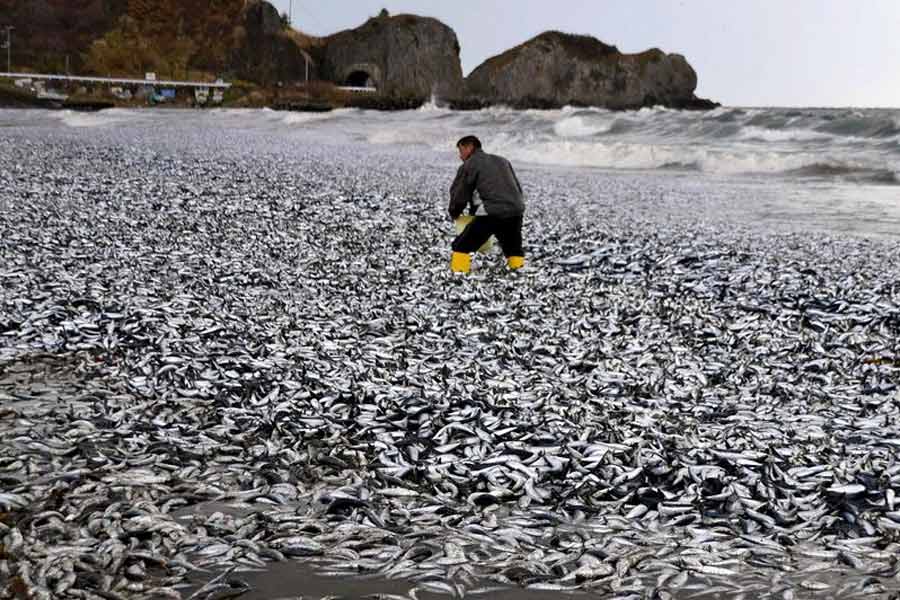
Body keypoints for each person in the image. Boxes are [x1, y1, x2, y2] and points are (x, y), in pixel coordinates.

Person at [448, 136, 526, 274]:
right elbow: (517, 187)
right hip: (516, 210)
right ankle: (518, 271)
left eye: (461, 151)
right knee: (513, 247)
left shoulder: (470, 164)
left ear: (469, 147)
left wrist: (454, 212)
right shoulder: (503, 160)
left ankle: (458, 274)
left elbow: (460, 193)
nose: (460, 156)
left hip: (492, 212)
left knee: (461, 245)